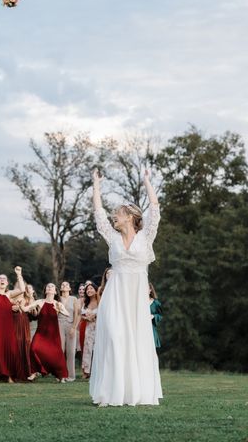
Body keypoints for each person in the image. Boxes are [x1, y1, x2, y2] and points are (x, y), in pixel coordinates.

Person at [90, 168, 163, 406]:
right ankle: (112, 391)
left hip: (135, 299)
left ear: (130, 217)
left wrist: (146, 181)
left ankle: (134, 392)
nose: (114, 217)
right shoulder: (112, 238)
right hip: (115, 295)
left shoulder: (146, 237)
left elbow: (154, 207)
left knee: (136, 341)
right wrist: (96, 185)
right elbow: (98, 213)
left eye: (118, 214)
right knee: (114, 336)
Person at [23, 283, 69, 382]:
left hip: (53, 334)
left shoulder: (58, 304)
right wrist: (20, 305)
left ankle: (60, 375)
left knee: (56, 355)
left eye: (52, 286)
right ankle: (34, 372)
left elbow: (67, 314)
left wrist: (60, 310)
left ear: (55, 291)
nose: (49, 287)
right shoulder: (39, 302)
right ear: (45, 291)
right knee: (34, 348)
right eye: (48, 286)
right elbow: (25, 309)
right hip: (41, 333)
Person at [58, 281, 79, 382]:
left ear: (70, 288)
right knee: (60, 350)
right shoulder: (57, 299)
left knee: (71, 351)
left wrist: (74, 327)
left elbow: (77, 313)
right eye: (63, 285)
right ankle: (61, 375)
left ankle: (71, 376)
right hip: (59, 325)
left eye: (67, 285)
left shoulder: (74, 299)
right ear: (60, 288)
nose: (64, 286)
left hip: (71, 325)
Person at [81, 283, 100, 378]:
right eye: (87, 289)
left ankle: (98, 369)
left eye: (91, 288)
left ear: (96, 290)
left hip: (99, 327)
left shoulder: (100, 301)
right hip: (88, 327)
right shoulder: (85, 302)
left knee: (98, 348)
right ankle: (86, 370)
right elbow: (81, 314)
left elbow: (104, 312)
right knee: (87, 348)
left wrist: (95, 315)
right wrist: (85, 318)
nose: (89, 290)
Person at [149, 283, 162, 350]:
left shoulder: (156, 303)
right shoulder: (138, 302)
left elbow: (160, 315)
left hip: (151, 329)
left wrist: (153, 316)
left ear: (150, 289)